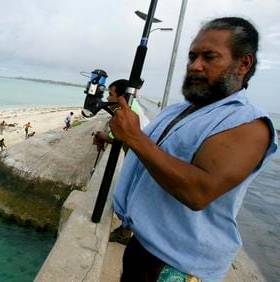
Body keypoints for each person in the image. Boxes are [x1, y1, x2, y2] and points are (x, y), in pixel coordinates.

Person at [108, 17, 277, 281]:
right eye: (192, 56)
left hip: (176, 266)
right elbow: (147, 162)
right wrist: (125, 136)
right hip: (142, 246)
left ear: (243, 63)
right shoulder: (179, 109)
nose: (195, 66)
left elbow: (198, 192)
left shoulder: (249, 124)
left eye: (209, 57)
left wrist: (135, 138)